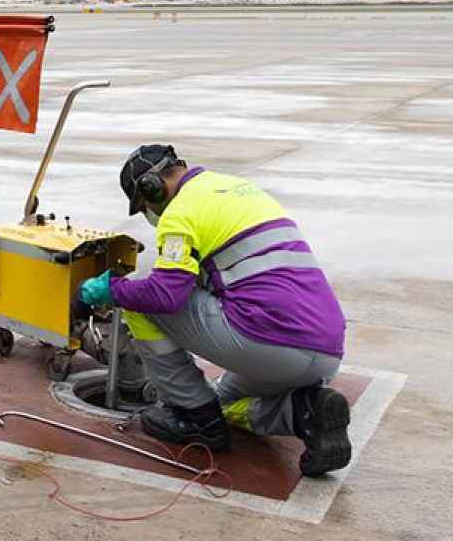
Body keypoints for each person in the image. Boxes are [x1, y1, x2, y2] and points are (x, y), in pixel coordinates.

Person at [78, 144, 352, 476]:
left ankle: (193, 416)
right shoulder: (240, 191)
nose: (151, 214)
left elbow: (165, 297)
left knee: (139, 299)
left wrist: (110, 290)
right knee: (224, 401)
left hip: (267, 342)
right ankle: (306, 413)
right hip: (325, 353)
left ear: (152, 187)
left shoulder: (180, 212)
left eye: (145, 206)